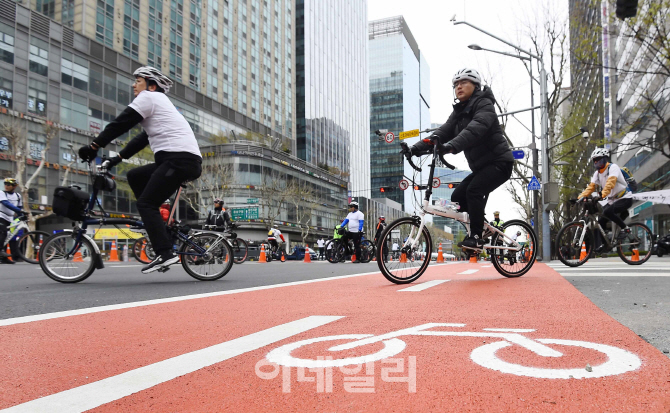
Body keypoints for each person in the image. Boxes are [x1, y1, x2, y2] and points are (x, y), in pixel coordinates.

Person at [78, 66, 202, 273]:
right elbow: (141, 139)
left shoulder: (149, 98)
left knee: (146, 203)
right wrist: (115, 159)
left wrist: (93, 147)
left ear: (151, 86)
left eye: (138, 80)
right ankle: (160, 224)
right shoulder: (160, 105)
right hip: (178, 160)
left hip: (178, 160)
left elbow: (121, 123)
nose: (134, 85)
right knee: (135, 175)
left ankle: (164, 253)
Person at [404, 68, 514, 249]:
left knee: (474, 191)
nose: (459, 87)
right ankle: (483, 227)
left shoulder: (484, 104)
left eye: (464, 82)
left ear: (475, 85)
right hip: (482, 168)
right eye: (456, 84)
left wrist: (451, 146)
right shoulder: (459, 112)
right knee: (457, 196)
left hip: (499, 163)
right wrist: (415, 149)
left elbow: (476, 129)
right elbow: (441, 133)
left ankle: (477, 236)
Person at [578, 148, 633, 250]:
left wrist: (602, 195)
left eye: (598, 159)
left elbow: (610, 183)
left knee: (608, 211)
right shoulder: (597, 173)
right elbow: (591, 187)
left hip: (625, 197)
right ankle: (606, 244)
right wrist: (580, 198)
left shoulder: (613, 168)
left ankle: (625, 229)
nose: (596, 162)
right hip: (613, 200)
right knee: (601, 221)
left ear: (605, 159)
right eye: (594, 160)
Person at [0, 178, 25, 264]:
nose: (6, 186)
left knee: (8, 237)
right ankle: (0, 251)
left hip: (10, 218)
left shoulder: (18, 196)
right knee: (3, 233)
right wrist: (19, 210)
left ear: (14, 186)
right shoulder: (2, 193)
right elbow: (6, 203)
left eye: (8, 185)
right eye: (5, 184)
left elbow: (20, 208)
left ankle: (3, 258)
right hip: (1, 216)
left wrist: (22, 216)